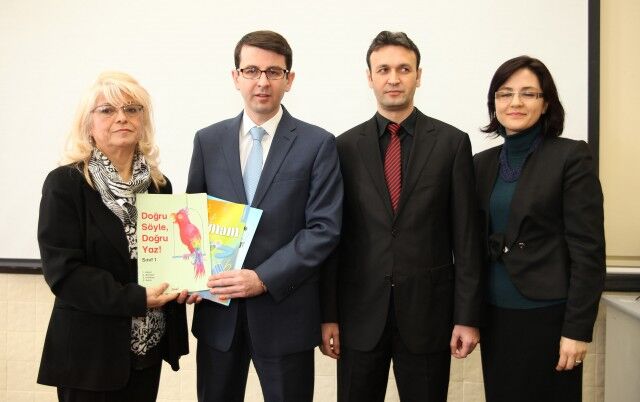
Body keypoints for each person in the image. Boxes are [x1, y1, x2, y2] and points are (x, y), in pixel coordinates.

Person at [320, 31, 483, 402]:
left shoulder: (452, 143)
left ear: (418, 76)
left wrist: (467, 316)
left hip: (429, 315)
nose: (393, 78)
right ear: (370, 77)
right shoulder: (343, 147)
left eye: (404, 69)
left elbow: (466, 239)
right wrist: (328, 314)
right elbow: (333, 238)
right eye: (384, 69)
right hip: (359, 316)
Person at [186, 30, 343, 402]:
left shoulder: (318, 143)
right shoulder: (208, 141)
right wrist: (188, 274)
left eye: (274, 72)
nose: (262, 81)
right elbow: (194, 218)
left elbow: (323, 229)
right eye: (252, 70)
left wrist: (263, 278)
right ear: (235, 77)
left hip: (284, 313)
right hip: (218, 316)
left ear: (289, 79)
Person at [36, 71, 189, 402]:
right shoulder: (66, 184)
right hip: (89, 355)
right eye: (107, 110)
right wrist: (136, 298)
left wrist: (187, 281)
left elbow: (167, 257)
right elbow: (64, 273)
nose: (122, 117)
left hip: (147, 347)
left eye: (132, 109)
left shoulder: (159, 186)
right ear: (88, 124)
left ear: (143, 121)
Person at [474, 56, 605, 402]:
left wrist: (577, 330)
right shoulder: (481, 164)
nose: (515, 102)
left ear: (546, 103)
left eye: (528, 93)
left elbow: (588, 251)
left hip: (549, 317)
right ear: (494, 104)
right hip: (495, 316)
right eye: (505, 94)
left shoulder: (570, 156)